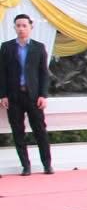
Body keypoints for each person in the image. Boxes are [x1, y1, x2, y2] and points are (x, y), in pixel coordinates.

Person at [0, 14, 52, 175]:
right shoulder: (6, 47)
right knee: (18, 131)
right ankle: (26, 166)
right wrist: (3, 95)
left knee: (40, 130)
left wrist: (43, 95)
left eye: (24, 25)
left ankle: (47, 164)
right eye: (18, 25)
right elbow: (2, 73)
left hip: (34, 96)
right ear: (14, 27)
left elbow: (44, 73)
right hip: (14, 96)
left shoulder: (38, 47)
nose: (21, 28)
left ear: (31, 27)